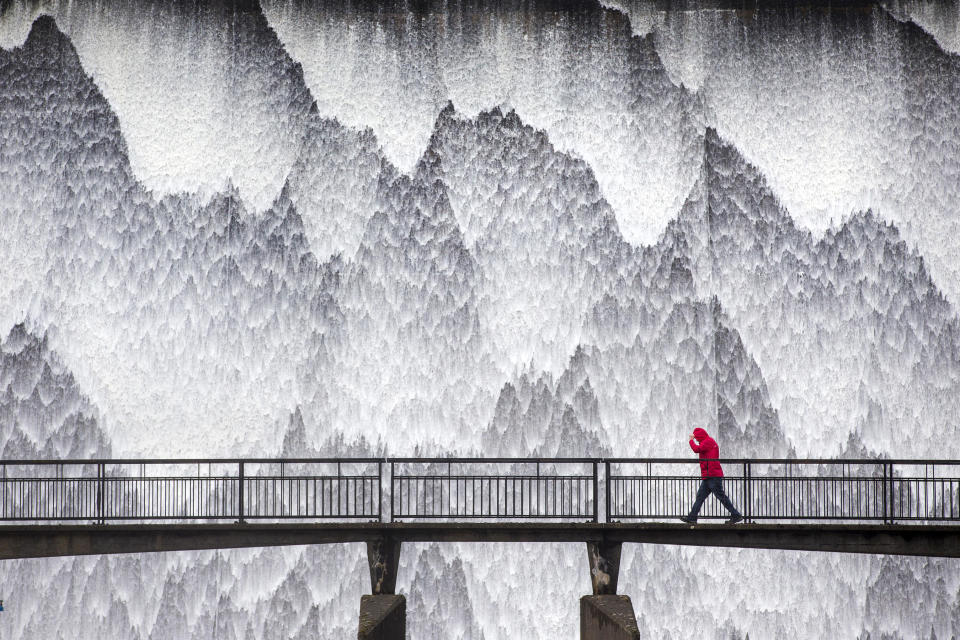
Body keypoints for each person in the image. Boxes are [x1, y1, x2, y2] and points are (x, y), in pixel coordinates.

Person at [679, 427, 743, 524]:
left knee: (721, 496)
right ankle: (692, 517)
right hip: (708, 476)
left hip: (713, 476)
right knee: (700, 497)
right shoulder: (707, 441)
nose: (696, 440)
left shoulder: (707, 441)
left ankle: (736, 515)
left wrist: (691, 441)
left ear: (700, 436)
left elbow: (696, 449)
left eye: (696, 438)